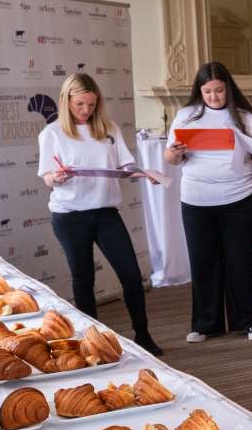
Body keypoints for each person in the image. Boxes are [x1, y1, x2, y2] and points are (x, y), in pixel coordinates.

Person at [38, 73, 163, 356]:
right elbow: (47, 176)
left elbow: (127, 163)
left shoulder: (108, 129)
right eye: (80, 104)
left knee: (131, 274)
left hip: (106, 212)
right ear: (66, 101)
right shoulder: (53, 133)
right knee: (83, 278)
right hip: (70, 215)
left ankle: (143, 334)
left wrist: (144, 173)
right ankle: (90, 341)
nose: (86, 111)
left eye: (92, 105)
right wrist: (56, 178)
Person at [164, 62, 252, 343]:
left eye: (219, 90)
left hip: (240, 197)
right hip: (197, 200)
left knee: (242, 261)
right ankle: (205, 323)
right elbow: (170, 158)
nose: (214, 97)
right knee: (203, 261)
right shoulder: (187, 116)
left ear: (228, 88)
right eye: (208, 91)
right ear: (199, 91)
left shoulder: (244, 117)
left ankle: (249, 321)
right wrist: (175, 153)